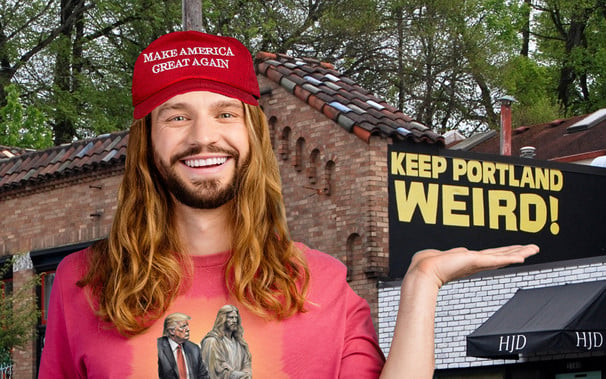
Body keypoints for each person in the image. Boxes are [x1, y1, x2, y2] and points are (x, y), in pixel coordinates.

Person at [38, 30, 539, 378]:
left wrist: (422, 285)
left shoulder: (320, 282)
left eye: (224, 113)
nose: (204, 137)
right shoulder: (82, 283)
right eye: (176, 117)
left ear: (253, 134)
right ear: (146, 140)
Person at [200, 305, 252, 379]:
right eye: (231, 317)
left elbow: (247, 364)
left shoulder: (240, 343)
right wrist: (239, 376)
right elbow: (216, 369)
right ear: (222, 319)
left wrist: (246, 374)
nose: (234, 321)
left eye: (236, 317)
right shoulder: (212, 341)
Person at [158, 313, 210, 379]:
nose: (188, 329)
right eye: (183, 327)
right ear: (171, 331)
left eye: (187, 326)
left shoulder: (194, 348)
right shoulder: (159, 348)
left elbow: (203, 375)